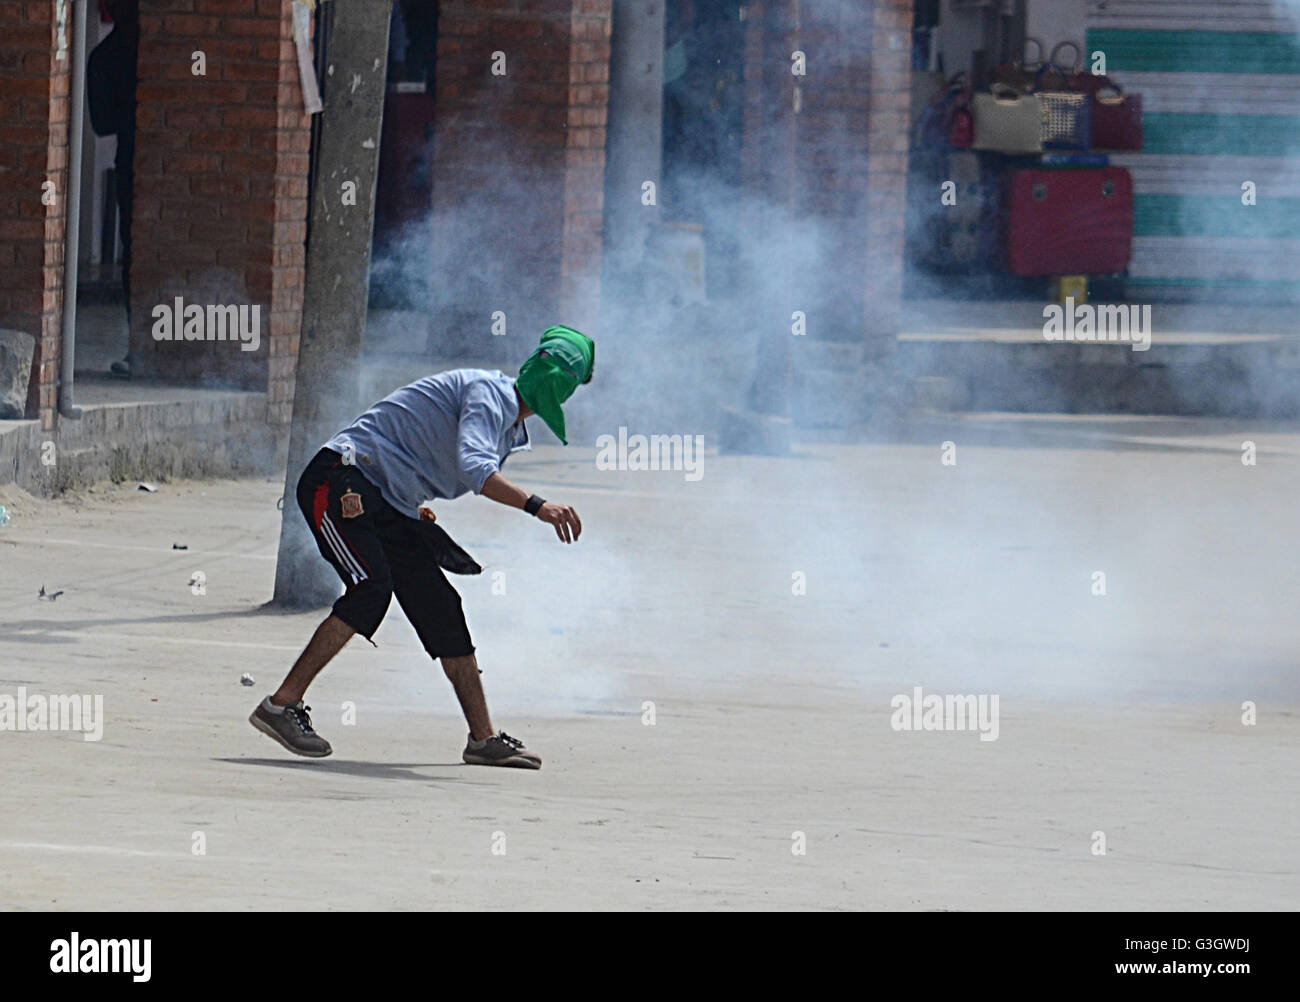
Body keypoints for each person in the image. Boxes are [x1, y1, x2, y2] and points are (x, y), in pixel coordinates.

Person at [249, 326, 594, 769]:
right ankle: (280, 706)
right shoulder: (490, 395)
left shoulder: (506, 425)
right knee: (371, 588)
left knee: (441, 606)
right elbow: (474, 469)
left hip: (389, 500)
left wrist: (417, 511)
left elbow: (430, 458)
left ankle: (483, 739)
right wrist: (539, 506)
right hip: (341, 478)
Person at [86, 0, 138, 377]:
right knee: (135, 254)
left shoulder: (105, 55)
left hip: (132, 162)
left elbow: (103, 123)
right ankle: (142, 345)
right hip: (133, 163)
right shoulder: (111, 56)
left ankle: (142, 345)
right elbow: (103, 122)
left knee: (134, 254)